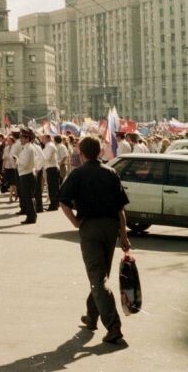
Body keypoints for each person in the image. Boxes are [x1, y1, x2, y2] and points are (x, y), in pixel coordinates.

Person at [59, 136, 131, 343]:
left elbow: (63, 202)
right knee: (101, 276)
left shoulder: (77, 174)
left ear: (81, 154)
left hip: (89, 227)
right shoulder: (111, 173)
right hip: (110, 228)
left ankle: (113, 326)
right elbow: (120, 210)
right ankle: (92, 317)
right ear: (100, 152)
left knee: (98, 278)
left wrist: (75, 222)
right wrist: (124, 236)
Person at [16, 128, 38, 224]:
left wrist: (17, 160)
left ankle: (31, 217)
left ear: (27, 139)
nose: (20, 139)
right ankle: (32, 216)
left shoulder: (28, 148)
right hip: (28, 174)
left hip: (26, 174)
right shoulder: (28, 147)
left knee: (28, 197)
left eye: (22, 138)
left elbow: (24, 163)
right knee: (29, 196)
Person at [42, 134, 60, 211]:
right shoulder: (48, 145)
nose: (42, 140)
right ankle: (55, 204)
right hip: (51, 168)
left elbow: (47, 157)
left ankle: (53, 205)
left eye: (43, 138)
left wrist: (40, 157)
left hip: (52, 168)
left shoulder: (49, 146)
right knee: (53, 187)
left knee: (52, 188)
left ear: (48, 138)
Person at [2, 137, 18, 203]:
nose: (7, 142)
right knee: (12, 183)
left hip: (14, 166)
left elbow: (17, 158)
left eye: (9, 140)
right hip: (7, 166)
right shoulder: (6, 148)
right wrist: (3, 167)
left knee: (12, 182)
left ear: (12, 141)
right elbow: (4, 158)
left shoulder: (15, 148)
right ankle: (16, 194)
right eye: (7, 141)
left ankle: (10, 197)